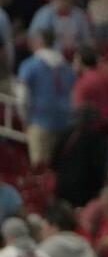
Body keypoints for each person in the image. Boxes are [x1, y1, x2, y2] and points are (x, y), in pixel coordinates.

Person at [16, 28, 76, 167]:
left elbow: (22, 97)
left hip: (40, 122)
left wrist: (25, 118)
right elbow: (73, 94)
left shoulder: (30, 65)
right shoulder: (67, 66)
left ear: (40, 41)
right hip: (64, 122)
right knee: (58, 168)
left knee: (40, 170)